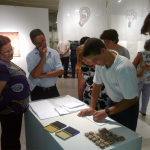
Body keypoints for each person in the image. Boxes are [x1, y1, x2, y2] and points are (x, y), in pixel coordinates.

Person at [78, 38, 139, 131]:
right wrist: (92, 108)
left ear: (103, 51)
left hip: (127, 107)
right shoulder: (100, 64)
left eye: (95, 60)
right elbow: (97, 85)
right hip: (112, 103)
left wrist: (107, 111)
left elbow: (131, 99)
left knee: (127, 136)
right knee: (113, 134)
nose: (95, 64)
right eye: (92, 62)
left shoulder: (123, 68)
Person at [0, 35, 29, 150]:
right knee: (11, 140)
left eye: (11, 49)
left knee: (12, 138)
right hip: (10, 111)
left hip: (14, 110)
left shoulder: (7, 62)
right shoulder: (1, 66)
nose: (10, 53)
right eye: (6, 52)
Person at [26, 29, 64, 101]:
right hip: (38, 91)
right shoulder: (30, 56)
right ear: (33, 43)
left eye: (43, 41)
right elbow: (35, 75)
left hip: (53, 89)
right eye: (38, 43)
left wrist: (41, 75)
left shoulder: (54, 53)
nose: (42, 44)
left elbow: (60, 72)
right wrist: (43, 57)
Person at [77, 44, 109, 110]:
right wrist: (80, 101)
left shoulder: (103, 65)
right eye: (83, 60)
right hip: (89, 100)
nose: (86, 62)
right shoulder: (83, 68)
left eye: (87, 59)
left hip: (105, 99)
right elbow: (80, 87)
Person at [132, 39, 150, 116]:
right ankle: (143, 111)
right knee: (146, 94)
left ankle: (135, 110)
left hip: (139, 77)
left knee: (137, 94)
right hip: (149, 78)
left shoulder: (141, 53)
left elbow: (133, 64)